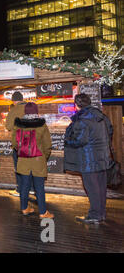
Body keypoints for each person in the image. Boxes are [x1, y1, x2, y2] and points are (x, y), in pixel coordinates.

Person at [64, 93, 113, 224]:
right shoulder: (101, 117)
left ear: (76, 105)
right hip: (102, 157)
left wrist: (68, 139)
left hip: (89, 160)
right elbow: (110, 132)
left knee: (92, 188)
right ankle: (101, 213)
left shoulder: (82, 120)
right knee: (101, 187)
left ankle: (94, 215)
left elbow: (79, 141)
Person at [12, 102, 54, 219]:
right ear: (36, 111)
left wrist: (22, 152)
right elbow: (47, 145)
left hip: (23, 160)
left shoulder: (18, 125)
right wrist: (43, 157)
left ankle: (24, 208)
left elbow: (14, 144)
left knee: (24, 185)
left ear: (25, 111)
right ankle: (43, 212)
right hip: (38, 160)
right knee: (39, 187)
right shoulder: (41, 125)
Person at [5, 91, 33, 197]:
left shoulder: (14, 110)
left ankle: (20, 190)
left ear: (14, 101)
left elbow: (8, 126)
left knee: (19, 167)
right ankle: (31, 189)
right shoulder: (30, 107)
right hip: (31, 142)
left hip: (19, 143)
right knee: (30, 167)